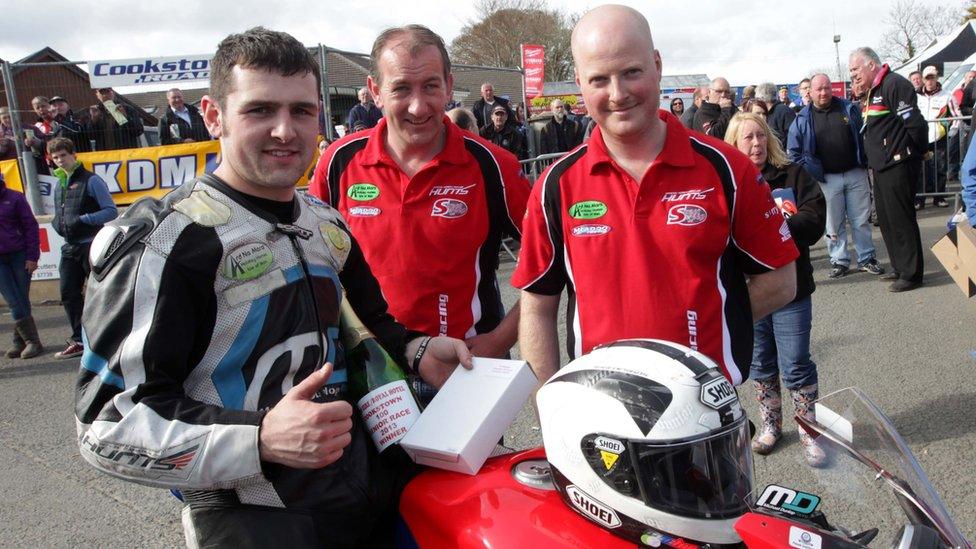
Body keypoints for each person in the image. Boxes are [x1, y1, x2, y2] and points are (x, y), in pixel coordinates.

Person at [74, 27, 471, 548]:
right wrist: (258, 440)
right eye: (261, 110)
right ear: (214, 116)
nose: (286, 130)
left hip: (370, 499)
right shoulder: (165, 241)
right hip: (256, 520)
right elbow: (106, 428)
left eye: (302, 112)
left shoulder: (325, 223)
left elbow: (374, 329)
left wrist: (419, 350)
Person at [513, 5, 799, 386]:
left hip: (705, 410)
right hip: (599, 413)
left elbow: (781, 279)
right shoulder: (555, 184)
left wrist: (702, 332)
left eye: (631, 72)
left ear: (657, 65)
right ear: (579, 84)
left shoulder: (726, 167)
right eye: (599, 79)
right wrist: (548, 411)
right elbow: (537, 307)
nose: (618, 94)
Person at [309, 25, 529, 402]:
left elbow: (555, 265)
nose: (418, 105)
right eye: (401, 89)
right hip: (370, 375)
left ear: (448, 85)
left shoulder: (493, 165)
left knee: (472, 466)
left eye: (430, 86)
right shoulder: (338, 161)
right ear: (375, 91)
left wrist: (499, 339)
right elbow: (311, 265)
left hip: (463, 369)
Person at [725, 112, 826, 467]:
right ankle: (771, 424)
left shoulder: (793, 175)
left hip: (792, 289)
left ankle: (808, 429)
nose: (755, 144)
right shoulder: (728, 181)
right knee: (760, 362)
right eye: (747, 138)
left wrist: (776, 227)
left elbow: (814, 220)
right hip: (748, 291)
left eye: (760, 136)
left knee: (796, 362)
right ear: (734, 143)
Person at [788, 73, 884, 279]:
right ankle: (839, 260)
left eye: (827, 88)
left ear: (832, 89)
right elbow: (794, 152)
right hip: (826, 179)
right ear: (810, 92)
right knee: (833, 223)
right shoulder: (802, 118)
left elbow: (864, 135)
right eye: (819, 89)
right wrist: (811, 172)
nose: (823, 93)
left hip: (855, 173)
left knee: (861, 221)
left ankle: (867, 258)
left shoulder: (848, 108)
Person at [850, 47, 927, 292]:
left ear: (871, 65)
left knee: (901, 219)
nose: (853, 75)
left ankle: (912, 274)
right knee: (886, 219)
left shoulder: (895, 84)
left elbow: (914, 124)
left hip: (898, 164)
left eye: (855, 69)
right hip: (881, 166)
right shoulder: (874, 90)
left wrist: (916, 152)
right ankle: (899, 266)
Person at [47, 137, 117, 359]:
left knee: (104, 292)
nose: (60, 160)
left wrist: (84, 219)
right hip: (69, 247)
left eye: (64, 155)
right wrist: (57, 222)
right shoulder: (59, 183)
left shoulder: (92, 180)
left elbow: (110, 211)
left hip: (91, 244)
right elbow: (61, 214)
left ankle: (113, 338)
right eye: (56, 157)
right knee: (68, 293)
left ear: (73, 155)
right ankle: (79, 340)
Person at [0, 173, 42, 359]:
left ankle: (21, 341)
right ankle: (32, 341)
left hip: (19, 255)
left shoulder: (15, 197)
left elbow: (31, 227)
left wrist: (32, 256)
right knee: (14, 300)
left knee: (21, 298)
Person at [915, 65, 955, 209]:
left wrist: (952, 131)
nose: (930, 81)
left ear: (937, 78)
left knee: (940, 167)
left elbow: (957, 116)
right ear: (923, 80)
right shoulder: (916, 96)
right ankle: (919, 199)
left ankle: (939, 197)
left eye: (932, 77)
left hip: (939, 138)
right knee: (920, 169)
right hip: (921, 138)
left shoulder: (947, 95)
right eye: (927, 78)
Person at [756, 82, 795, 150]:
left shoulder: (785, 112)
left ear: (762, 98)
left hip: (783, 157)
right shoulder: (764, 113)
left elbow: (793, 138)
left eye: (758, 99)